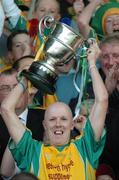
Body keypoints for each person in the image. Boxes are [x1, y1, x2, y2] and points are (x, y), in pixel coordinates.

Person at [0, 41, 108, 179]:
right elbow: (6, 109)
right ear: (44, 125)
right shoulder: (32, 151)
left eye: (64, 119)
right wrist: (25, 80)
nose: (58, 123)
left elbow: (102, 100)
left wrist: (92, 63)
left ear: (72, 125)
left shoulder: (86, 147)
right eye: (52, 119)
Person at [97, 33, 119, 179]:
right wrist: (105, 93)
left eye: (116, 55)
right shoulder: (90, 86)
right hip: (106, 164)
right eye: (105, 56)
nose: (110, 62)